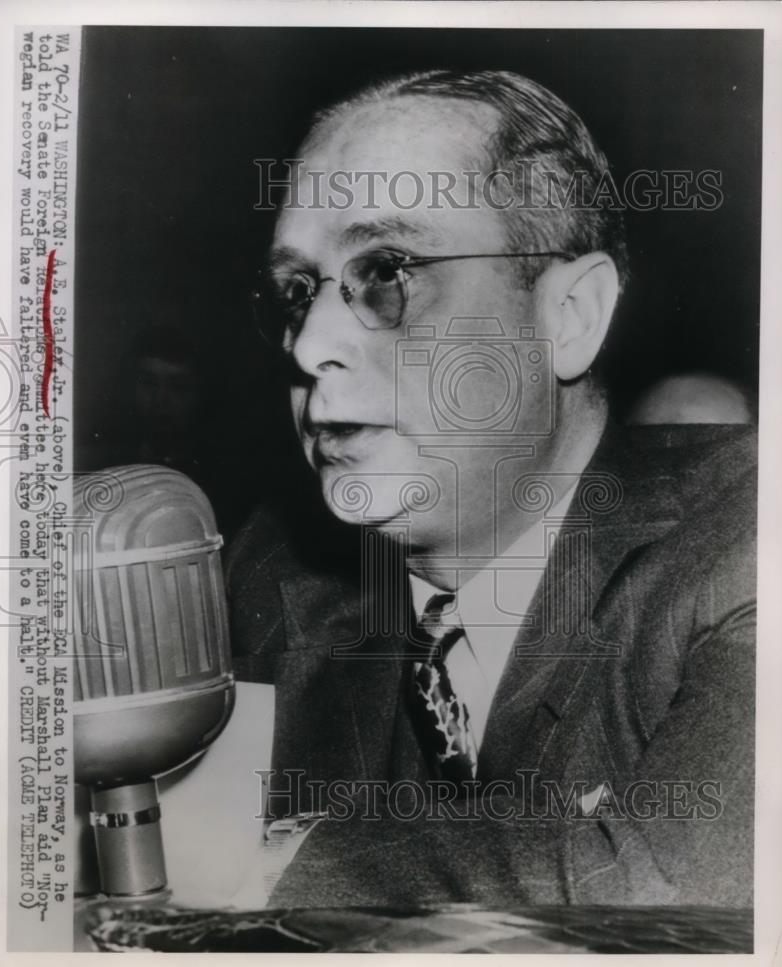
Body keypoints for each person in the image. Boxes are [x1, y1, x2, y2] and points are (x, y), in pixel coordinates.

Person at [226, 70, 755, 909]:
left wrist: (249, 865)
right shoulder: (261, 575)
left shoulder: (752, 541)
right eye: (298, 292)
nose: (310, 342)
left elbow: (689, 890)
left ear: (569, 317)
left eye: (389, 271)